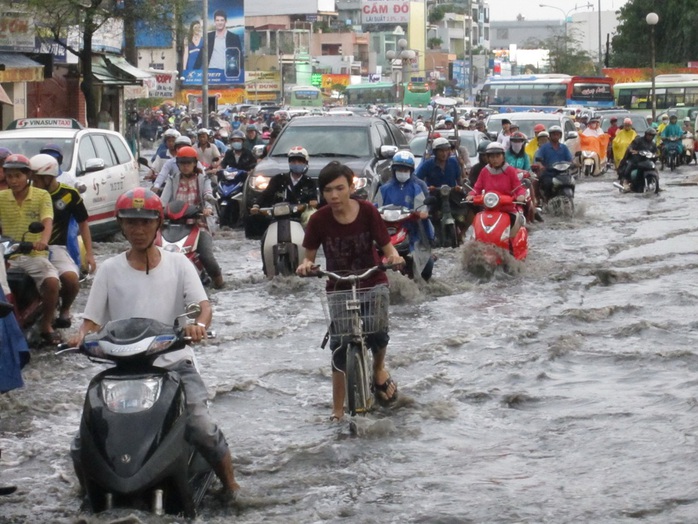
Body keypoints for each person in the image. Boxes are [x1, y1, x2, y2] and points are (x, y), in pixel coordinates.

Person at [71, 188, 240, 501]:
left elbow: (203, 306)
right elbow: (91, 322)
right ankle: (87, 494)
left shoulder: (179, 265)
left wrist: (198, 327)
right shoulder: (109, 269)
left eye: (145, 222)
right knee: (83, 441)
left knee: (201, 425)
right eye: (131, 222)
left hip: (174, 362)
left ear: (158, 224)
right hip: (121, 368)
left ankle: (231, 486)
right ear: (121, 225)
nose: (138, 229)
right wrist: (82, 336)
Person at [296, 162, 404, 421]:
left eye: (340, 189)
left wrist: (395, 258)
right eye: (328, 190)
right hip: (338, 285)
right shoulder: (318, 219)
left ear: (351, 187)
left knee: (378, 332)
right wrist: (306, 266)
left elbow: (388, 248)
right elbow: (307, 257)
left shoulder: (367, 211)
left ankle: (378, 369)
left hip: (372, 278)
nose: (334, 196)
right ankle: (337, 410)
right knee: (340, 346)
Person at [29, 154, 96, 328]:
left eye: (36, 179)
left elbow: (83, 223)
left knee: (71, 279)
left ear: (48, 177)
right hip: (28, 247)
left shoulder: (69, 194)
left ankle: (64, 309)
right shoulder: (28, 193)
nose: (33, 183)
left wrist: (89, 254)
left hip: (56, 247)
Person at [0, 154, 60, 345]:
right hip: (6, 256)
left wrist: (42, 241)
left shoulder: (42, 196)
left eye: (17, 176)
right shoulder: (1, 197)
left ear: (28, 176)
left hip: (33, 254)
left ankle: (47, 325)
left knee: (51, 282)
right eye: (9, 176)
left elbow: (47, 221)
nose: (13, 180)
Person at [161, 146, 224, 289]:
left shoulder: (203, 179)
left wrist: (208, 207)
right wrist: (157, 209)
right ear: (178, 164)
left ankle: (219, 282)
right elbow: (163, 200)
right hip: (174, 225)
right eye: (182, 163)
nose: (185, 166)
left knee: (206, 255)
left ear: (195, 163)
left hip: (198, 225)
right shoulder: (172, 180)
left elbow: (208, 194)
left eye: (188, 163)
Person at [374, 151, 434, 280]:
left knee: (426, 262)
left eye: (405, 169)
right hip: (388, 229)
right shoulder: (385, 188)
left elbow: (423, 207)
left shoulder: (417, 187)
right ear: (394, 170)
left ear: (411, 171)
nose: (402, 172)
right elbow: (376, 206)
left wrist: (421, 213)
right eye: (400, 169)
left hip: (412, 229)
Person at [467, 142, 526, 241]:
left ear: (503, 156)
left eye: (498, 156)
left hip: (508, 210)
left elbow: (519, 188)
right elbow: (477, 188)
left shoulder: (510, 171)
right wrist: (471, 195)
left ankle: (510, 248)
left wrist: (521, 196)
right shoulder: (485, 171)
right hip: (489, 209)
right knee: (477, 227)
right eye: (492, 156)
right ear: (488, 158)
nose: (495, 159)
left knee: (512, 230)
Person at [195, 9, 242, 76]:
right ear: (214, 22)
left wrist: (241, 74)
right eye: (217, 20)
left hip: (227, 72)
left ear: (226, 21)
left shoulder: (234, 38)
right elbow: (200, 56)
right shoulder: (208, 37)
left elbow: (239, 57)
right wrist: (194, 72)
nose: (219, 22)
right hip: (211, 72)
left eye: (222, 20)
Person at [535, 125, 573, 202]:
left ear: (560, 135)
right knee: (547, 184)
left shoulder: (564, 147)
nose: (556, 136)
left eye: (557, 134)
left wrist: (575, 163)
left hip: (563, 173)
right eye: (554, 134)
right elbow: (538, 160)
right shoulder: (544, 148)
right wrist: (541, 165)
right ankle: (547, 200)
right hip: (549, 173)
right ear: (550, 135)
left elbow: (570, 159)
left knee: (571, 182)